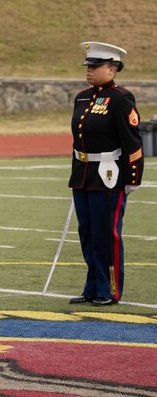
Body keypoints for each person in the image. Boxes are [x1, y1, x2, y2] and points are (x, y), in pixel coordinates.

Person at [68, 42, 144, 306]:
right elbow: (78, 140)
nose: (89, 70)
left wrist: (132, 178)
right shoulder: (82, 97)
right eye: (88, 65)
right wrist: (76, 172)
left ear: (112, 69)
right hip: (84, 175)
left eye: (95, 66)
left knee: (106, 234)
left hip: (109, 175)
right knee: (87, 234)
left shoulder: (121, 98)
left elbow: (132, 141)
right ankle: (92, 287)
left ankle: (109, 290)